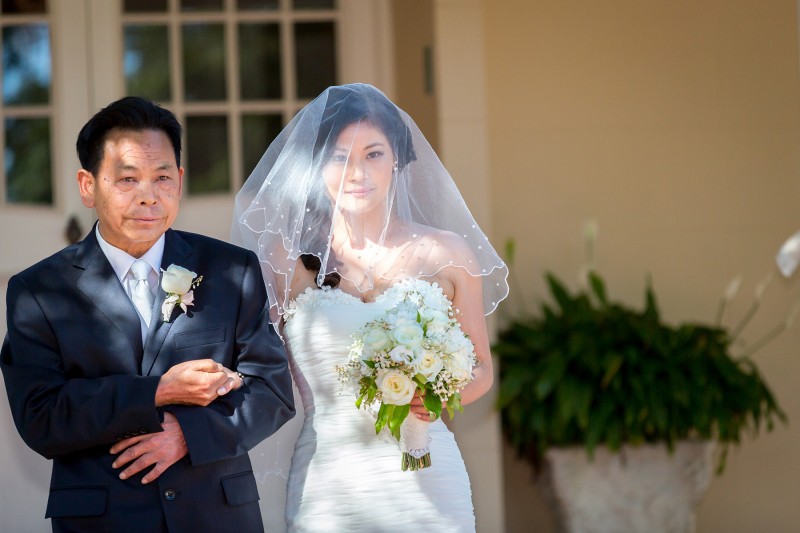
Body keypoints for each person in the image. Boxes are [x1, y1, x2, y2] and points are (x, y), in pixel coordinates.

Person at [1, 96, 296, 532]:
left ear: (178, 180)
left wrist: (187, 435)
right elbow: (41, 418)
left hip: (216, 516)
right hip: (103, 520)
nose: (148, 196)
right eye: (127, 179)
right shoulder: (38, 291)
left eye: (161, 177)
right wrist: (155, 392)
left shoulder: (232, 270)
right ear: (88, 185)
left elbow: (271, 392)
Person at [232, 83, 508, 532]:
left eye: (373, 154)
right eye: (339, 157)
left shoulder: (447, 253)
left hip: (430, 483)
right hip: (330, 488)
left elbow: (481, 369)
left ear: (397, 158)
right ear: (316, 165)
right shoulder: (286, 264)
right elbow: (257, 371)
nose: (356, 172)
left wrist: (436, 397)